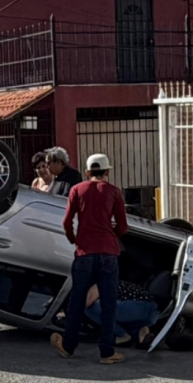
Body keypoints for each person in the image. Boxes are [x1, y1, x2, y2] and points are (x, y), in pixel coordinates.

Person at [50, 153, 128, 365]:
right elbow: (123, 227)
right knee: (109, 303)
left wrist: (75, 240)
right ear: (107, 172)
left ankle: (68, 346)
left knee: (77, 300)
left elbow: (66, 222)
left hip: (84, 253)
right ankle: (107, 352)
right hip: (108, 253)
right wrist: (110, 237)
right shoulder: (114, 192)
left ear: (87, 172)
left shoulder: (77, 190)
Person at [85, 281, 158, 348]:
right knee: (117, 317)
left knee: (89, 308)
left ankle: (122, 335)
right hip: (151, 311)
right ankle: (141, 332)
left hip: (139, 308)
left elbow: (88, 301)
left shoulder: (99, 283)